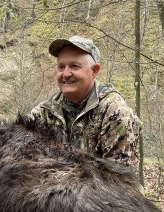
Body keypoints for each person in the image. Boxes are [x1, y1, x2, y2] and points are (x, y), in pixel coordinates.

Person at [29, 35, 142, 167]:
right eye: (61, 67)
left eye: (74, 66)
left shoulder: (115, 113)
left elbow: (118, 177)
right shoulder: (45, 112)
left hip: (100, 186)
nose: (65, 74)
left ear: (94, 71)